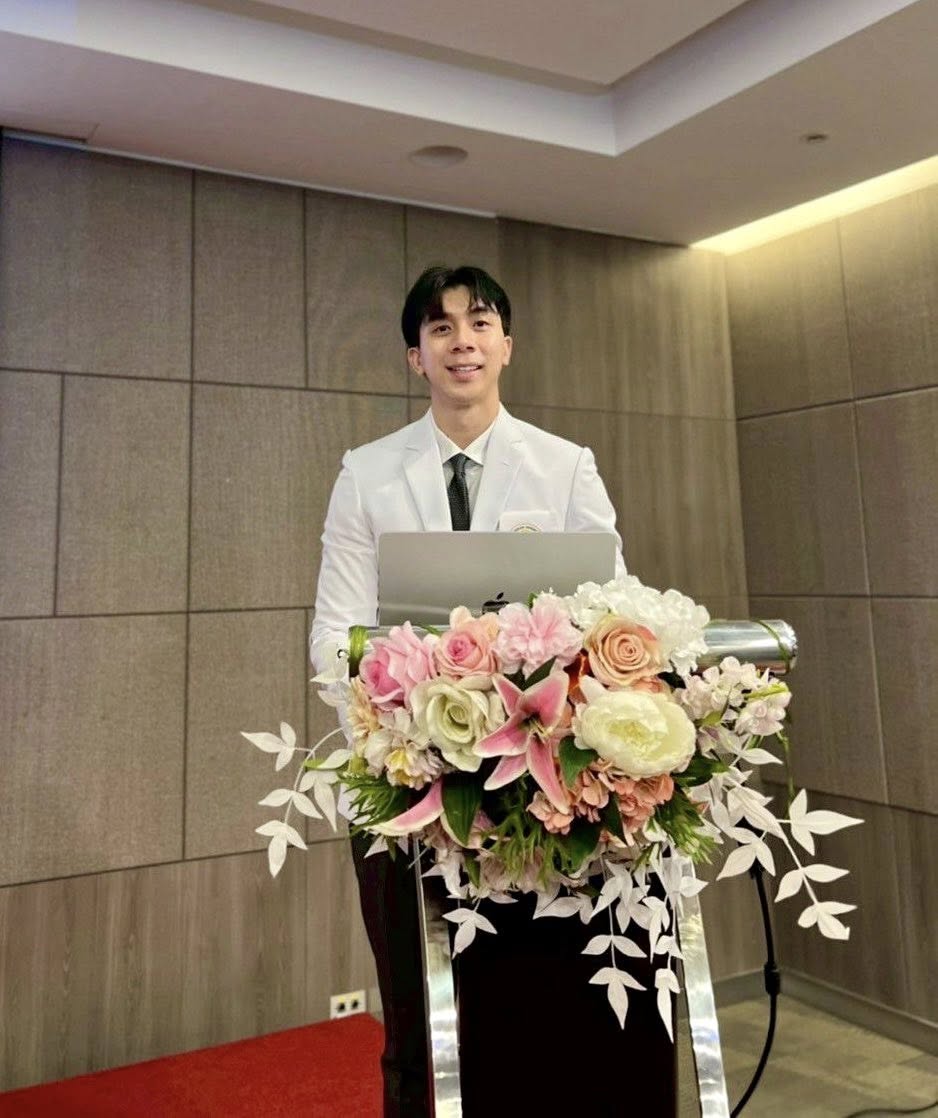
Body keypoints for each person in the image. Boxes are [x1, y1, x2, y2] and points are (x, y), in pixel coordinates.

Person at [310, 266, 674, 1117]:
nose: (461, 342)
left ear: (507, 345)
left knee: (546, 1024)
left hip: (546, 790)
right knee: (426, 1028)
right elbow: (334, 638)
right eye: (440, 328)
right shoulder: (366, 474)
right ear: (416, 356)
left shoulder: (565, 465)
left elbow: (614, 610)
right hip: (411, 786)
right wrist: (409, 745)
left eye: (479, 323)